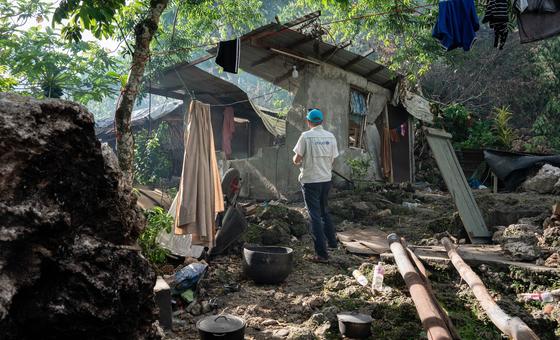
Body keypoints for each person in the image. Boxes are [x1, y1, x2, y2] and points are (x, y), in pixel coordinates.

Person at [293, 108, 339, 263]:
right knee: (324, 211)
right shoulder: (331, 137)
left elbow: (297, 159)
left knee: (314, 215)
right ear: (321, 121)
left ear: (308, 121)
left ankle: (321, 254)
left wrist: (296, 159)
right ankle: (332, 243)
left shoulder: (306, 136)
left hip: (311, 180)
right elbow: (333, 159)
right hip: (326, 180)